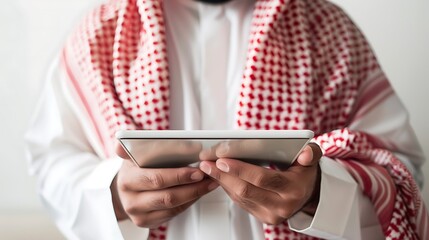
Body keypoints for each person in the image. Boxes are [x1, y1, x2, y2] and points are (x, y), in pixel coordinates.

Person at [25, 0, 428, 239]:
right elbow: (51, 162)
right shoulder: (100, 33)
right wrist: (113, 195)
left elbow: (401, 169)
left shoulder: (331, 33)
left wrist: (320, 194)